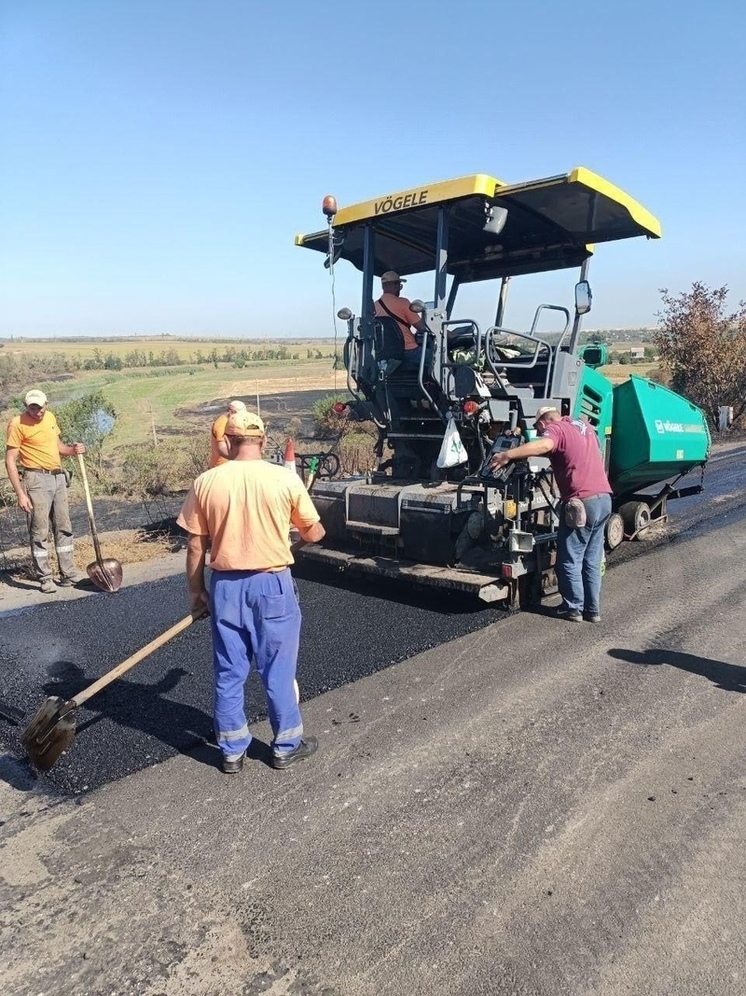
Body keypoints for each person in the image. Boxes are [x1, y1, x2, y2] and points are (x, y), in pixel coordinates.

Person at [177, 409, 326, 774]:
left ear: (227, 442)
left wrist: (197, 592)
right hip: (271, 585)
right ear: (263, 440)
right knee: (277, 669)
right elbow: (315, 533)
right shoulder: (284, 479)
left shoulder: (206, 482)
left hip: (226, 588)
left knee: (229, 672)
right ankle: (286, 746)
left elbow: (196, 546)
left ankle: (231, 752)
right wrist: (290, 537)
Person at [489, 406, 612, 623]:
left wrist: (508, 454)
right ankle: (592, 611)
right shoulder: (582, 426)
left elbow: (546, 444)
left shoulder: (555, 429)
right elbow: (562, 450)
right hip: (603, 499)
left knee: (570, 558)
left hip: (581, 503)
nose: (539, 433)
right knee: (591, 559)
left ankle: (573, 608)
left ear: (543, 423)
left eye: (538, 430)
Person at [5, 389, 86, 594]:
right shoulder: (17, 424)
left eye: (40, 407)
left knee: (64, 527)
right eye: (33, 408)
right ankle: (45, 577)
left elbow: (57, 446)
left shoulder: (50, 417)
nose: (37, 412)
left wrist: (72, 450)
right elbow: (10, 461)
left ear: (46, 405)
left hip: (58, 477)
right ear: (26, 406)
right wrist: (20, 493)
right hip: (36, 479)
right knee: (39, 531)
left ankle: (68, 574)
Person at [374, 271, 427, 370]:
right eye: (399, 285)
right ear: (395, 285)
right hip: (408, 351)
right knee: (439, 357)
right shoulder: (403, 303)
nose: (399, 288)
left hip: (385, 354)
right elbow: (422, 327)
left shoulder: (374, 306)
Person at [209, 399, 247, 468]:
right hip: (219, 467)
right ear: (231, 412)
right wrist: (239, 457)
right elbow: (222, 448)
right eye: (239, 416)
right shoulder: (221, 425)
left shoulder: (232, 422)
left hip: (231, 466)